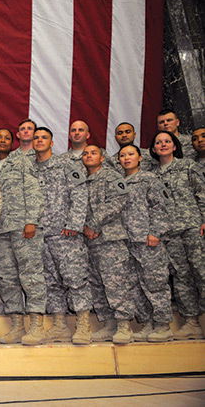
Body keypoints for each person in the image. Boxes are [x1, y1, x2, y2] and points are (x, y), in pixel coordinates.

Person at [32, 127, 92, 345]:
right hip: (39, 234)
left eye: (43, 137)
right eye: (36, 138)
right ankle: (59, 325)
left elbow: (79, 194)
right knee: (50, 281)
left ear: (52, 142)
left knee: (75, 278)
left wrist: (74, 224)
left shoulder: (66, 165)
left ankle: (83, 324)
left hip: (64, 233)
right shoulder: (30, 168)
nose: (39, 140)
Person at [0, 128, 46, 346]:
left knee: (31, 275)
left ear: (12, 142)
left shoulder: (22, 161)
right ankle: (16, 325)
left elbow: (33, 190)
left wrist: (31, 220)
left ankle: (36, 325)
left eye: (7, 138)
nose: (3, 141)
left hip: (23, 227)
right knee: (7, 278)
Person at [150, 131, 204, 339]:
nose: (163, 145)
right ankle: (191, 321)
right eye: (158, 142)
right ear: (153, 149)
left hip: (192, 227)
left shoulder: (188, 166)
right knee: (181, 276)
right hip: (169, 233)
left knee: (201, 272)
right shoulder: (152, 175)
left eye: (167, 142)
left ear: (174, 146)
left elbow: (201, 193)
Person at [118, 144, 174, 342]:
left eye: (131, 154)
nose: (126, 158)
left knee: (155, 282)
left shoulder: (149, 179)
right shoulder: (119, 183)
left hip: (147, 240)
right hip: (127, 241)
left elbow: (162, 207)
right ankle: (147, 322)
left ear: (140, 158)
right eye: (122, 155)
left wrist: (156, 232)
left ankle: (163, 324)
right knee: (134, 284)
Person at [82, 145, 136, 344]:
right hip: (87, 241)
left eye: (93, 153)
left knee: (116, 282)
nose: (88, 156)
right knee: (96, 284)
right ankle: (108, 324)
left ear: (102, 158)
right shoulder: (81, 180)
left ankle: (123, 325)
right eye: (85, 154)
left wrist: (94, 223)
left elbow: (118, 201)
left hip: (109, 239)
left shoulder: (112, 177)